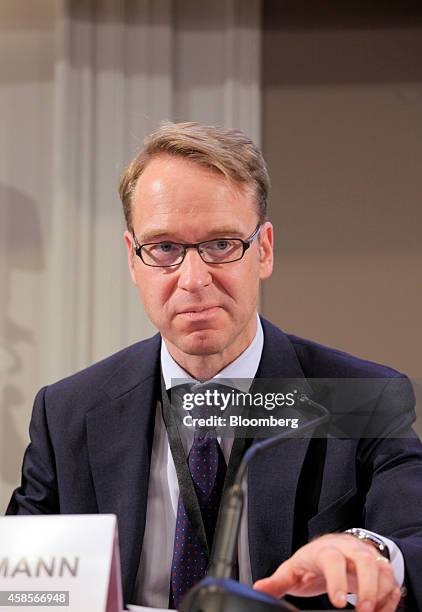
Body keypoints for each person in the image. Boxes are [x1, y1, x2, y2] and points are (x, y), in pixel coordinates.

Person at [7, 122, 422, 611]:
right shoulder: (70, 412)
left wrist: (368, 550)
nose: (193, 279)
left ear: (263, 249)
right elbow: (19, 579)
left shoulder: (359, 399)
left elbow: (415, 537)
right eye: (164, 248)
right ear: (132, 259)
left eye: (222, 244)